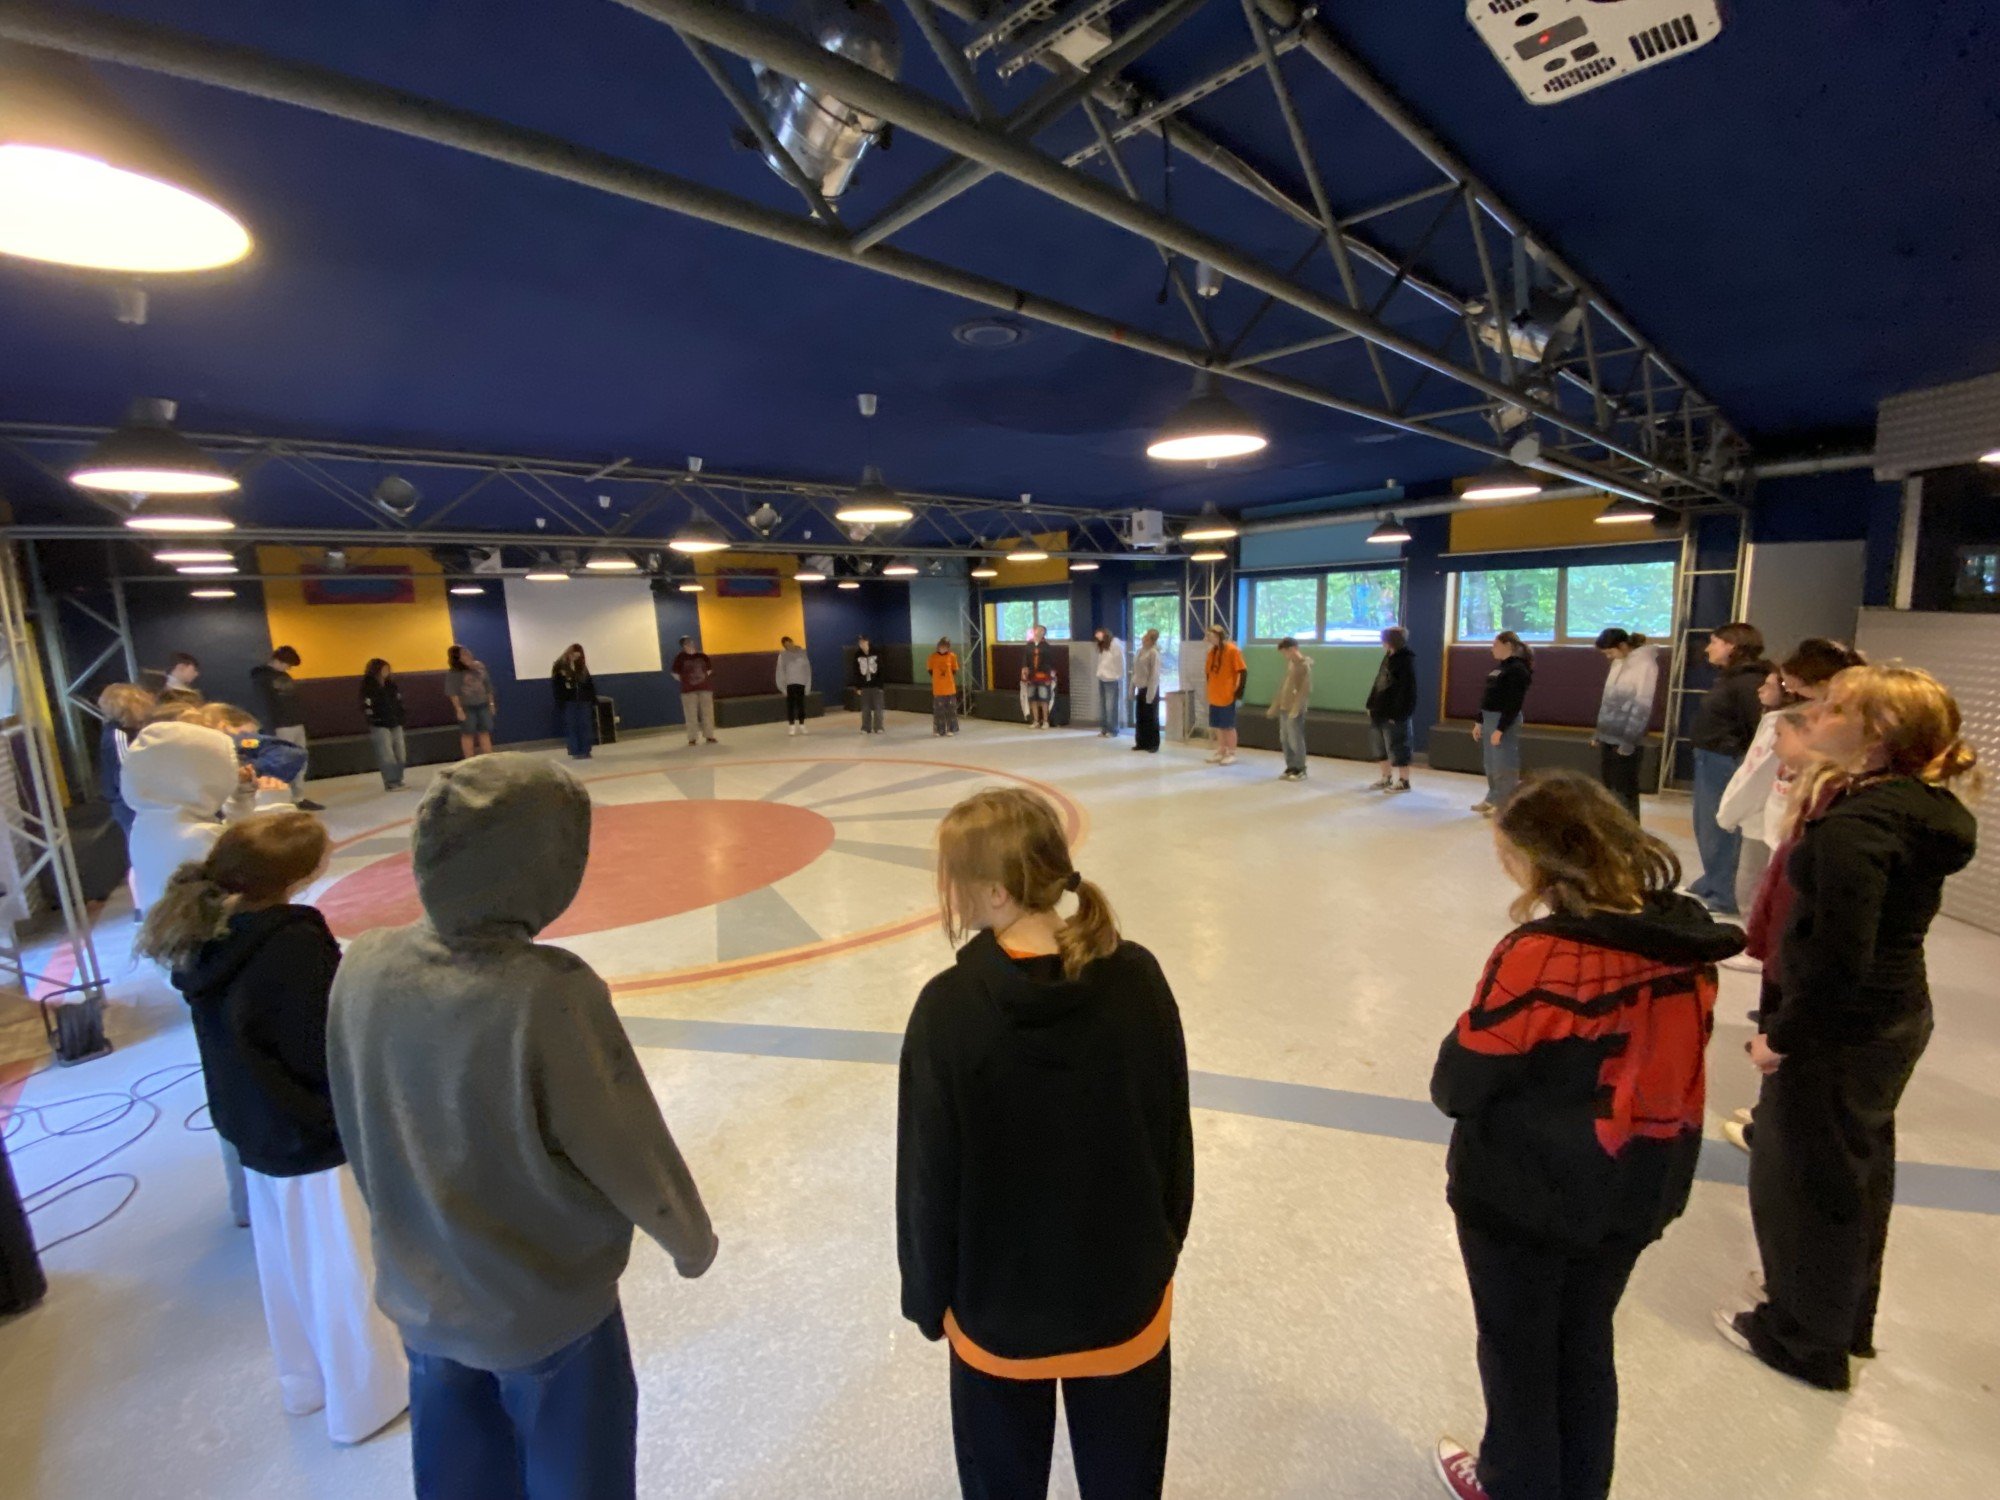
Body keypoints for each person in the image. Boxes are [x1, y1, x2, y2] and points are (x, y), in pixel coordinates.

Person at [327, 755, 718, 1500]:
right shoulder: (546, 994)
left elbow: (354, 1108)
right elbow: (623, 1141)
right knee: (578, 1472)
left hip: (422, 1291)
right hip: (544, 1305)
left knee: (457, 1472)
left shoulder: (363, 964)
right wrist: (689, 1239)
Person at [1431, 771, 1742, 1500]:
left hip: (1527, 1193)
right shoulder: (1688, 939)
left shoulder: (1543, 955)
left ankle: (1514, 1483)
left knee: (1518, 1353)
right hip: (1639, 1179)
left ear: (1542, 860)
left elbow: (1460, 1082)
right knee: (1585, 1341)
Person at [900, 787, 1192, 1500]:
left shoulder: (947, 1011)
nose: (948, 891)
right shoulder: (1138, 980)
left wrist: (927, 1298)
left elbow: (928, 1177)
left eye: (956, 877)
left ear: (996, 891)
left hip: (997, 1319)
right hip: (1123, 1303)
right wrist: (1160, 1249)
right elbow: (1170, 1137)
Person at [1717, 666, 1978, 1393]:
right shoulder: (1909, 805)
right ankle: (1839, 1314)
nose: (1816, 713)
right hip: (1890, 1014)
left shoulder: (1859, 829)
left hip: (1843, 1026)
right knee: (1853, 1169)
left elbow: (1838, 959)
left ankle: (1802, 1339)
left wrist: (1782, 1038)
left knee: (1809, 1179)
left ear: (1878, 733)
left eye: (1833, 708)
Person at [136, 810, 408, 1445]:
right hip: (311, 1129)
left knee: (290, 1265)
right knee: (345, 1266)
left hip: (256, 1124)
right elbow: (320, 1046)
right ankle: (367, 1395)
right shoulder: (292, 944)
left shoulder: (209, 936)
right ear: (302, 875)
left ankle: (307, 1379)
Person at [123, 719, 257, 1228]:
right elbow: (248, 864)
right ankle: (253, 1195)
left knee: (228, 1074)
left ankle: (245, 1195)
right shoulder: (195, 838)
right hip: (226, 967)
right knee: (249, 1077)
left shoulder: (152, 824)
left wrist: (239, 801)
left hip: (194, 969)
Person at [1686, 623, 1768, 913]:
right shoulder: (1731, 678)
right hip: (1711, 757)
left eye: (1714, 642)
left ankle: (1726, 891)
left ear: (1732, 645)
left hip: (1724, 759)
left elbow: (1755, 725)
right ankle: (1713, 880)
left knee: (1721, 828)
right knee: (1706, 825)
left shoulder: (1747, 681)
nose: (1708, 648)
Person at [1715, 669, 1800, 946]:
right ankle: (1756, 939)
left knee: (1753, 882)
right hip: (1761, 814)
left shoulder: (1783, 724)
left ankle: (1757, 943)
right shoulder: (1772, 721)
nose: (1760, 689)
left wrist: (1729, 811)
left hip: (1764, 814)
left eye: (1769, 685)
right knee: (1753, 881)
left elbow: (1757, 775)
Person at [1590, 628, 1661, 821]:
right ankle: (1612, 825)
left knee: (1625, 788)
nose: (1608, 657)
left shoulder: (1645, 665)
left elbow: (1642, 706)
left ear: (1622, 645)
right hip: (1608, 735)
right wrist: (1599, 732)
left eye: (1610, 652)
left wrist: (1629, 741)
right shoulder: (1617, 662)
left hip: (1626, 738)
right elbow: (1607, 702)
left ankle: (1629, 828)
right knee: (1609, 785)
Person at [250, 646, 323, 812]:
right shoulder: (261, 678)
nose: (288, 668)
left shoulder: (284, 676)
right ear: (277, 660)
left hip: (296, 723)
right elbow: (264, 705)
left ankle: (298, 797)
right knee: (284, 763)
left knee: (300, 761)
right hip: (280, 726)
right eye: (287, 664)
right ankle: (283, 798)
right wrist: (270, 730)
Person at [1471, 633, 1533, 816]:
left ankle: (1505, 803)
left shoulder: (1518, 669)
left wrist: (1500, 729)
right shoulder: (1500, 668)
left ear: (1507, 645)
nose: (1492, 649)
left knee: (1504, 763)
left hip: (1503, 720)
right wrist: (1479, 721)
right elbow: (1488, 697)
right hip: (1489, 718)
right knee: (1491, 763)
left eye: (1495, 645)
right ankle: (1492, 798)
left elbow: (1514, 702)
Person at [95, 682, 155, 838]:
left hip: (132, 799)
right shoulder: (118, 735)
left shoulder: (126, 731)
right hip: (129, 803)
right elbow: (127, 769)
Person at [1366, 626, 1417, 793]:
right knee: (1380, 746)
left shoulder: (1405, 660)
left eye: (1384, 640)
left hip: (1395, 713)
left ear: (1391, 641)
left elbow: (1407, 691)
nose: (1382, 643)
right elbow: (1379, 682)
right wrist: (1370, 704)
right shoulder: (1388, 657)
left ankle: (1404, 781)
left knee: (1398, 746)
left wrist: (1399, 713)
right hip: (1379, 710)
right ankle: (1386, 777)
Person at [1267, 637, 1313, 782]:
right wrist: (1275, 705)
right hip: (1284, 707)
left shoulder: (1304, 665)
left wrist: (1296, 708)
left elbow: (1305, 689)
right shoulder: (1291, 664)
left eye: (1285, 652)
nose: (1284, 656)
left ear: (1292, 649)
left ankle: (1300, 768)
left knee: (1295, 738)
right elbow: (1284, 686)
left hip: (1295, 709)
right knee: (1285, 738)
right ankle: (1291, 766)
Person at [360, 659, 408, 791]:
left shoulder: (391, 684)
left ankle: (398, 779)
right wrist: (373, 718)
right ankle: (391, 782)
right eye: (384, 669)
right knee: (386, 755)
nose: (387, 671)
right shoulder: (369, 685)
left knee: (401, 754)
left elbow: (398, 701)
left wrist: (401, 716)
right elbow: (366, 705)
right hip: (380, 724)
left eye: (388, 669)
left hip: (395, 722)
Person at [1202, 625, 1246, 767]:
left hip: (1227, 694)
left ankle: (1231, 753)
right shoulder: (1212, 652)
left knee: (1228, 726)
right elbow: (1208, 673)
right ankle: (1221, 750)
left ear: (1218, 636)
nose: (1208, 639)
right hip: (1214, 694)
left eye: (1210, 636)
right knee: (1218, 725)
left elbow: (1241, 671)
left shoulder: (1233, 650)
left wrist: (1237, 692)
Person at [444, 644, 497, 759]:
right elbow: (453, 693)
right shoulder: (454, 673)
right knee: (468, 734)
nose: (468, 654)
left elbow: (488, 686)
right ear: (457, 658)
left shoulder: (479, 666)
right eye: (463, 654)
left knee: (484, 732)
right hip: (467, 707)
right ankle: (469, 760)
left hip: (483, 704)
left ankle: (489, 758)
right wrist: (459, 710)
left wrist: (491, 703)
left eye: (467, 652)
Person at [551, 644, 597, 761]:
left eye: (578, 655)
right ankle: (575, 751)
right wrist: (560, 701)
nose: (575, 657)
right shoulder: (559, 667)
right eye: (574, 654)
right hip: (569, 702)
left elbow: (589, 684)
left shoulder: (582, 667)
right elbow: (556, 686)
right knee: (572, 727)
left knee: (585, 726)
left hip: (584, 701)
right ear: (569, 653)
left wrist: (592, 699)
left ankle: (586, 750)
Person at [671, 636, 719, 746]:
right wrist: (686, 680)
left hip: (705, 688)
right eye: (686, 643)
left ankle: (709, 735)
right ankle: (692, 738)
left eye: (691, 642)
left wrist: (701, 678)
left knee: (708, 713)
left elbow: (709, 670)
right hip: (688, 691)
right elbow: (674, 673)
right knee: (690, 714)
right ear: (683, 646)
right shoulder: (680, 658)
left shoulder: (702, 656)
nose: (690, 645)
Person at [1130, 629, 1162, 755]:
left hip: (1151, 688)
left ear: (1152, 641)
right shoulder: (1139, 651)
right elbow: (1135, 671)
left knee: (1151, 717)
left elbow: (1154, 674)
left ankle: (1153, 744)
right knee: (1140, 716)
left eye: (1147, 638)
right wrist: (1132, 687)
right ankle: (1141, 742)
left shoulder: (1154, 653)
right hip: (1141, 687)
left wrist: (1150, 694)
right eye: (1144, 637)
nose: (1143, 639)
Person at [1022, 625, 1057, 730]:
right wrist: (1024, 671)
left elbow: (1050, 662)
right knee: (1032, 698)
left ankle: (1045, 721)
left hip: (1043, 676)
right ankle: (1035, 721)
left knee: (1044, 699)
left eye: (1040, 630)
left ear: (1043, 633)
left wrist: (1049, 677)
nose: (1037, 631)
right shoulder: (1029, 645)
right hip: (1031, 676)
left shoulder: (1046, 646)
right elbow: (1025, 659)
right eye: (1036, 630)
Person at [1093, 629, 1126, 738]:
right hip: (1102, 677)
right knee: (1103, 705)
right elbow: (1101, 662)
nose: (1098, 638)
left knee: (1110, 706)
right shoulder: (1103, 646)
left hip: (1111, 679)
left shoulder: (1115, 644)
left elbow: (1120, 661)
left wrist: (1119, 675)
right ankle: (1104, 729)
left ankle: (1113, 730)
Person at [777, 635, 813, 735]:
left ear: (792, 642)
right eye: (786, 645)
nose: (789, 646)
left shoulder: (802, 653)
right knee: (791, 706)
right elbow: (780, 672)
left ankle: (802, 724)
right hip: (790, 684)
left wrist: (808, 685)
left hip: (801, 683)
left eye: (789, 643)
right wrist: (783, 687)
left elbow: (807, 670)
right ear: (784, 646)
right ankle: (791, 726)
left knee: (801, 705)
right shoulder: (782, 656)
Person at [928, 637, 961, 737]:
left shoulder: (952, 656)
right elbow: (930, 670)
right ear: (938, 646)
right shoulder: (932, 657)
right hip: (938, 688)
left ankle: (951, 729)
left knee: (951, 709)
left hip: (949, 687)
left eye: (945, 647)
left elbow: (954, 670)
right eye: (941, 646)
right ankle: (939, 730)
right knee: (939, 710)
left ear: (948, 647)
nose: (943, 648)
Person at [855, 635, 886, 736]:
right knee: (865, 708)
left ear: (867, 642)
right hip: (864, 686)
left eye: (863, 642)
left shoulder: (877, 652)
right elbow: (856, 672)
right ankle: (866, 727)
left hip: (876, 685)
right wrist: (858, 687)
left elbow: (881, 669)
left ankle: (878, 727)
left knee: (878, 708)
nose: (861, 644)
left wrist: (881, 686)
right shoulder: (857, 655)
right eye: (860, 642)